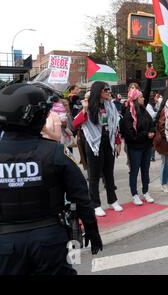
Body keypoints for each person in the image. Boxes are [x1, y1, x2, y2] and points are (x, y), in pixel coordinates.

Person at [0, 83, 102, 275]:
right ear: (32, 116)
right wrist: (92, 230)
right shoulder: (55, 152)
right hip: (48, 241)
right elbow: (80, 197)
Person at [73, 81, 123, 217]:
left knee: (109, 172)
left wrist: (117, 142)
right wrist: (84, 109)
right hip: (94, 143)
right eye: (106, 90)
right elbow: (75, 123)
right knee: (94, 175)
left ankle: (112, 200)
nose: (108, 92)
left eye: (109, 90)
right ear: (98, 91)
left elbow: (115, 126)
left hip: (108, 141)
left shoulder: (111, 105)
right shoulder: (89, 105)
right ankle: (95, 204)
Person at [120, 89, 156, 205]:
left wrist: (152, 131)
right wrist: (146, 134)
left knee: (145, 170)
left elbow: (151, 124)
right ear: (135, 99)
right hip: (135, 147)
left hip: (146, 146)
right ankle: (134, 194)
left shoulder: (144, 111)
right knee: (134, 171)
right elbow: (130, 135)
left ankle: (145, 191)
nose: (143, 98)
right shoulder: (128, 114)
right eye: (141, 97)